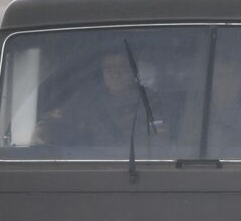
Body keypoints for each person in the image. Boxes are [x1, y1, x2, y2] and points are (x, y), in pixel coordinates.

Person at [34, 49, 168, 151]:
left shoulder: (149, 100)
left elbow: (159, 141)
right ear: (102, 72)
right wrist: (46, 128)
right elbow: (61, 121)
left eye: (123, 67)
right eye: (109, 68)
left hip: (135, 166)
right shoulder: (84, 100)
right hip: (89, 166)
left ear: (134, 71)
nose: (116, 73)